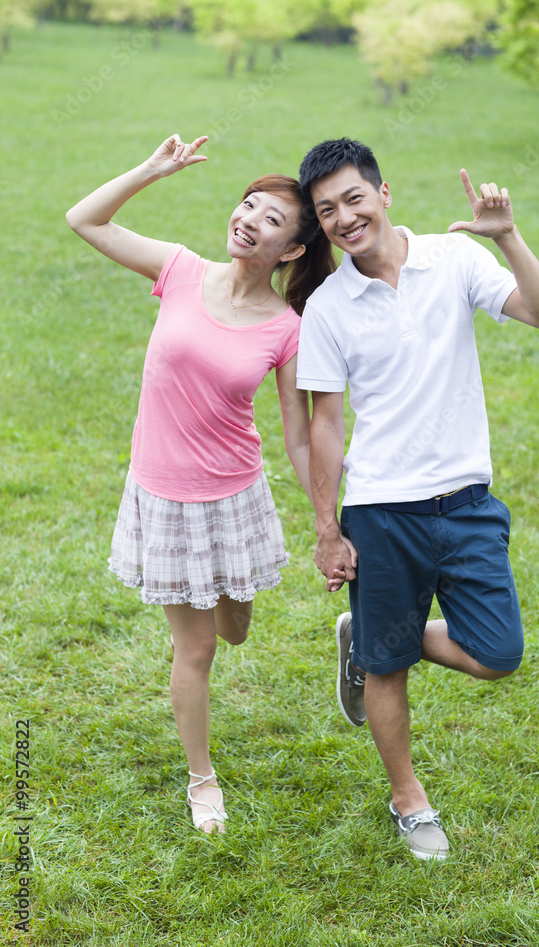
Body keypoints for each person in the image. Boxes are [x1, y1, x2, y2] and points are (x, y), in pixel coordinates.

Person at [295, 138, 539, 861]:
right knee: (388, 669)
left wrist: (506, 236)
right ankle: (409, 802)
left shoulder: (453, 260)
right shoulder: (326, 306)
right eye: (327, 211)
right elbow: (325, 424)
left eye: (353, 199)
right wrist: (327, 528)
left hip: (467, 501)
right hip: (381, 507)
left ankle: (372, 632)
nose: (344, 218)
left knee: (496, 653)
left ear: (384, 195)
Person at [66, 133, 335, 835]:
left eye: (270, 219)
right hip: (163, 495)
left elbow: (298, 432)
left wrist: (325, 521)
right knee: (199, 649)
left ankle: (226, 601)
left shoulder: (285, 326)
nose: (248, 219)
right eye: (247, 205)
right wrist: (151, 170)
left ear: (294, 251)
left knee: (235, 628)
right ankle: (201, 779)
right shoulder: (180, 270)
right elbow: (84, 220)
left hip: (235, 494)